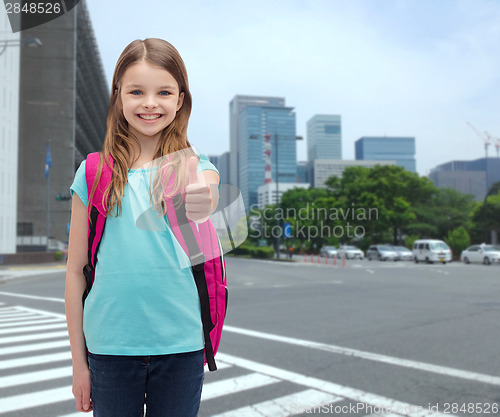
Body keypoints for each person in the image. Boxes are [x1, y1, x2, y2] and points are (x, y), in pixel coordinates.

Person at [65, 38, 220, 417]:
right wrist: (78, 364)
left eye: (163, 92)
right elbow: (74, 272)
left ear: (180, 99)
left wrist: (200, 194)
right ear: (118, 96)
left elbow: (207, 197)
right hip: (108, 348)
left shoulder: (194, 165)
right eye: (137, 91)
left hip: (182, 344)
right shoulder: (92, 172)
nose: (150, 103)